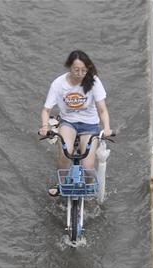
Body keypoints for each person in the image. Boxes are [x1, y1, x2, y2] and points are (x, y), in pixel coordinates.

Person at [39, 50, 112, 196]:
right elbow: (46, 110)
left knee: (88, 166)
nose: (80, 73)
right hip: (68, 122)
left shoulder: (94, 82)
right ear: (69, 67)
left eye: (84, 70)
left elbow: (102, 110)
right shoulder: (58, 84)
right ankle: (62, 184)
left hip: (90, 125)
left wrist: (107, 128)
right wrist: (45, 127)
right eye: (76, 70)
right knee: (65, 155)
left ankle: (90, 187)